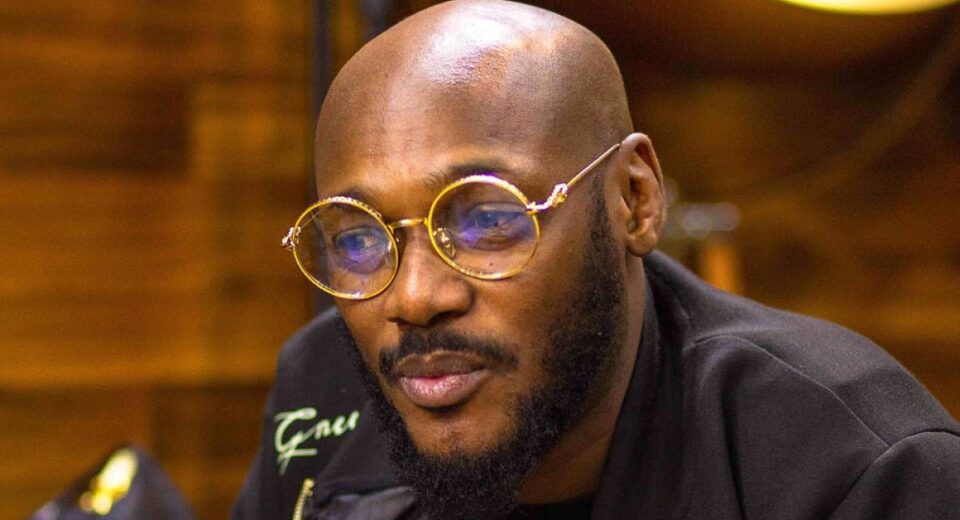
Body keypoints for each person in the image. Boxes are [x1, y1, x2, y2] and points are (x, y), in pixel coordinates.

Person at [232, 1, 960, 518]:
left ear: (634, 202)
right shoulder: (323, 383)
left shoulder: (858, 472)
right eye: (360, 239)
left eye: (488, 219)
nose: (414, 298)